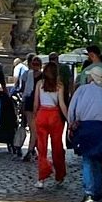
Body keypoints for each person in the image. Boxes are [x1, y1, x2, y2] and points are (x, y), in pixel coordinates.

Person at [67, 61, 102, 202]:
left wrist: (71, 124)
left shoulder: (81, 90)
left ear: (92, 78)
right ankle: (97, 190)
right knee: (97, 159)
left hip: (84, 126)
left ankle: (90, 192)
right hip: (99, 128)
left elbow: (72, 109)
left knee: (87, 159)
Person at [35, 58, 70, 189]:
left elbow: (35, 103)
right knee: (57, 147)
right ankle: (59, 175)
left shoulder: (39, 84)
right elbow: (61, 104)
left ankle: (42, 176)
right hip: (55, 115)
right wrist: (68, 118)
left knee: (42, 147)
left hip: (42, 114)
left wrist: (34, 116)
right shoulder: (59, 85)